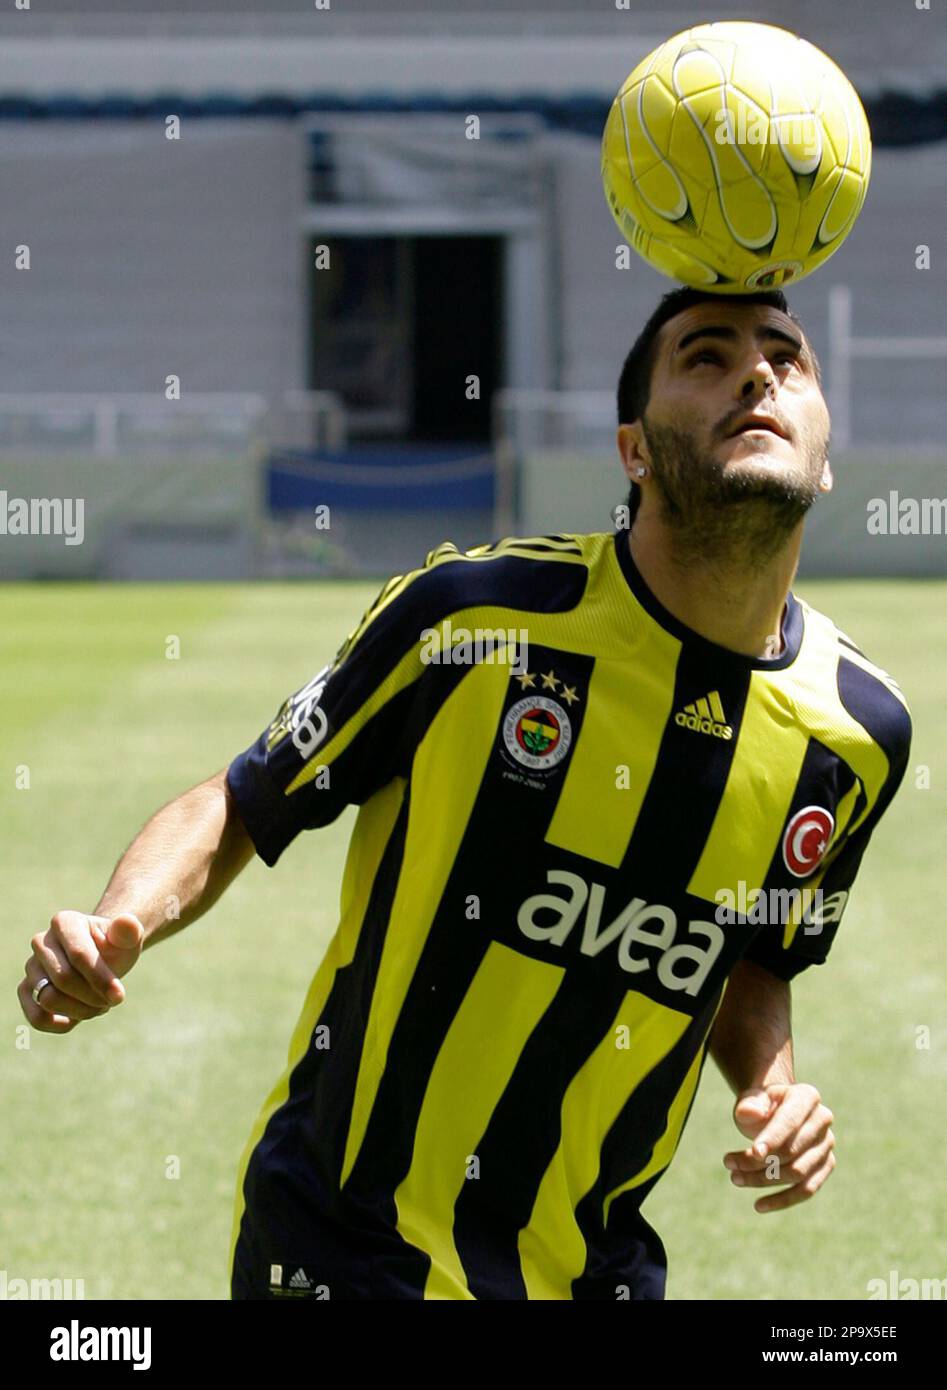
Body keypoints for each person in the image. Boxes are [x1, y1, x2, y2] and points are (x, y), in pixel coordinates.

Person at [18, 286, 912, 1301]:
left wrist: (770, 1085)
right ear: (631, 450)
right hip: (348, 1243)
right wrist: (120, 920)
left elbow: (752, 953)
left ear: (826, 451)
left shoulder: (859, 736)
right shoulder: (471, 620)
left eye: (785, 359)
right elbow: (248, 794)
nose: (756, 374)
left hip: (594, 1269)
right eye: (703, 357)